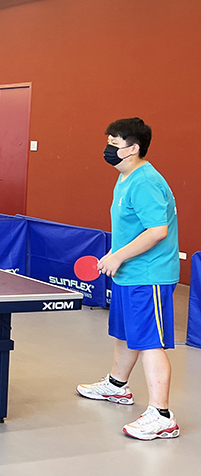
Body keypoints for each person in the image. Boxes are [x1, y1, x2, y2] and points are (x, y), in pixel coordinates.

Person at [77, 118, 180, 441]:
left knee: (149, 342)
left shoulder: (145, 181)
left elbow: (157, 231)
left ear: (133, 148)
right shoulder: (125, 177)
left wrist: (119, 256)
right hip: (129, 273)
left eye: (114, 144)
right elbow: (133, 229)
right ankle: (116, 386)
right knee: (125, 334)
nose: (108, 149)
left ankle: (162, 416)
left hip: (149, 275)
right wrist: (115, 254)